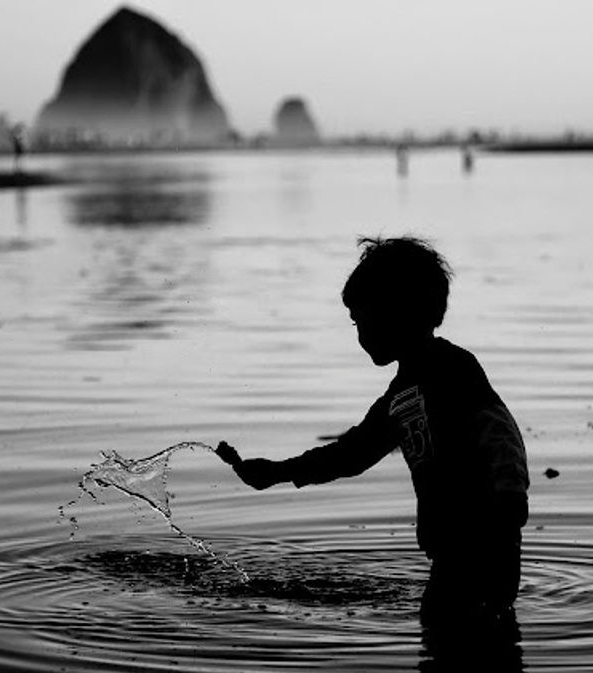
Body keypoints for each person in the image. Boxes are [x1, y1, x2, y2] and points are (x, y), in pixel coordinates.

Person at [217, 236, 529, 616]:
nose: (360, 332)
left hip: (485, 547)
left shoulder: (453, 370)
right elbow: (352, 453)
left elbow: (499, 434)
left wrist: (509, 505)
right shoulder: (403, 394)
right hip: (451, 554)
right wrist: (278, 472)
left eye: (361, 319)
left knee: (455, 634)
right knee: (456, 635)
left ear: (396, 312)